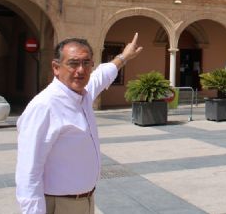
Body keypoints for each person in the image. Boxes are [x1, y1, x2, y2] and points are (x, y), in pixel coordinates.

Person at [15, 33, 143, 214]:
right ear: (56, 67)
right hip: (59, 205)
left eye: (86, 63)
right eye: (73, 63)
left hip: (85, 201)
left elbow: (102, 76)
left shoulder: (82, 94)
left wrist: (124, 57)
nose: (81, 70)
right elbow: (28, 171)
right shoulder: (44, 106)